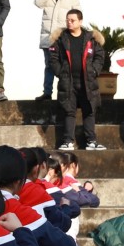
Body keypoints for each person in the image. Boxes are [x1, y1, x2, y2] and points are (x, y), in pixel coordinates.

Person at [50, 9, 105, 153]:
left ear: (80, 21)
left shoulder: (90, 39)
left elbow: (100, 56)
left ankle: (91, 141)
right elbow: (53, 58)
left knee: (89, 110)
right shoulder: (61, 39)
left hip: (87, 81)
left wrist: (94, 71)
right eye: (68, 20)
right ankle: (68, 141)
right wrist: (61, 73)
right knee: (69, 111)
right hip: (68, 82)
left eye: (72, 20)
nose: (69, 22)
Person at [33, 0, 79, 103]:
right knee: (48, 65)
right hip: (48, 36)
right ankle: (47, 92)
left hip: (64, 36)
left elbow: (78, 12)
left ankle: (65, 93)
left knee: (65, 65)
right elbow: (38, 3)